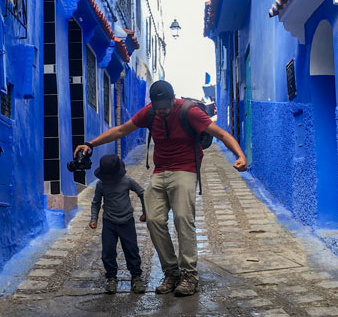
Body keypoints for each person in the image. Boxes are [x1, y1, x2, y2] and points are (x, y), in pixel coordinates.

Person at [75, 80, 247, 297]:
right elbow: (121, 129)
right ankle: (171, 272)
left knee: (183, 219)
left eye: (166, 106)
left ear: (173, 99)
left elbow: (221, 134)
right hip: (159, 171)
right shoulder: (150, 113)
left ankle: (189, 276)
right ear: (153, 104)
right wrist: (90, 144)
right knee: (154, 220)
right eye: (159, 107)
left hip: (185, 169)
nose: (163, 111)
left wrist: (240, 155)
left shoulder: (190, 111)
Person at [89, 154, 147, 294]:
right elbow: (96, 202)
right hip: (109, 222)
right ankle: (111, 277)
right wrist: (94, 218)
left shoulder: (127, 181)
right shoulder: (100, 185)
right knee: (108, 252)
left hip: (127, 221)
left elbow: (142, 193)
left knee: (131, 249)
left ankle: (136, 276)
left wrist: (146, 212)